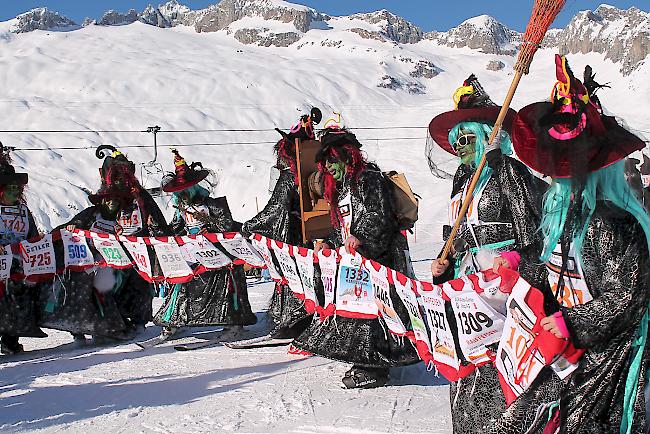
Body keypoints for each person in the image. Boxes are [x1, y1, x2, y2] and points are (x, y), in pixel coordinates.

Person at [512, 54, 650, 433]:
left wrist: (570, 321)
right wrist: (515, 265)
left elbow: (628, 298)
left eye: (566, 162)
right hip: (568, 351)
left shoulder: (614, 223)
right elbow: (553, 265)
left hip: (608, 357)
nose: (557, 172)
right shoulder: (565, 212)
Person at [427, 75, 558, 433]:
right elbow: (459, 234)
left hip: (506, 290)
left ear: (487, 135)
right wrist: (445, 263)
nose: (462, 147)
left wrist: (517, 260)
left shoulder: (508, 172)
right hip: (468, 286)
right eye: (457, 142)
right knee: (470, 361)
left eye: (468, 138)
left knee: (501, 363)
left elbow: (537, 232)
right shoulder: (461, 181)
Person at [291, 126, 419, 389]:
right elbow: (343, 225)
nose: (329, 167)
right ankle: (365, 360)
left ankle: (376, 366)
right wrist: (330, 243)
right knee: (358, 312)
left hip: (378, 259)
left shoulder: (369, 179)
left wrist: (362, 237)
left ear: (347, 156)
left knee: (377, 313)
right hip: (356, 262)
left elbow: (378, 215)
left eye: (332, 160)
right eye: (325, 162)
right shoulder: (341, 189)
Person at [153, 150, 256, 337]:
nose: (182, 195)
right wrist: (157, 231)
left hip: (217, 252)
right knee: (181, 281)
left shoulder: (212, 204)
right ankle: (173, 321)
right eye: (179, 192)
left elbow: (226, 225)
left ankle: (233, 323)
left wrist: (209, 227)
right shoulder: (181, 210)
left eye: (184, 191)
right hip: (192, 253)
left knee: (226, 283)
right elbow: (175, 228)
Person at [240, 107, 322, 338]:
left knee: (294, 279)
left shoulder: (289, 177)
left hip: (294, 240)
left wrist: (250, 226)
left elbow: (275, 210)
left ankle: (294, 324)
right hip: (318, 236)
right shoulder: (317, 173)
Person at [95, 145, 168, 333]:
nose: (120, 182)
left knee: (140, 286)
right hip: (115, 252)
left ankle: (139, 322)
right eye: (116, 178)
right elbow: (94, 218)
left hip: (140, 250)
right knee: (113, 287)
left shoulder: (140, 197)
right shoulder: (107, 197)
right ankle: (116, 321)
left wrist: (161, 238)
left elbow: (156, 219)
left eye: (123, 177)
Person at [44, 185, 131, 341]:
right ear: (102, 201)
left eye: (116, 200)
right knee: (80, 294)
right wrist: (72, 226)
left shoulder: (118, 220)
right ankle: (79, 330)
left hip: (105, 263)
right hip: (82, 262)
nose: (112, 202)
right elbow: (72, 225)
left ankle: (107, 327)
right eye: (109, 199)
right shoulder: (92, 213)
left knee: (105, 293)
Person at [0, 144, 46, 354]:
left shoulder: (23, 210)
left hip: (18, 266)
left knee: (18, 299)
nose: (17, 189)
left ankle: (10, 341)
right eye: (11, 186)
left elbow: (32, 235)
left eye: (18, 186)